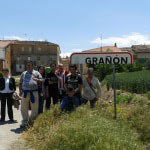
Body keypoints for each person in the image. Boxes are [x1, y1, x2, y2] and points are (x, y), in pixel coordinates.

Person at [19, 61, 42, 128]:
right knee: (23, 108)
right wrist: (20, 91)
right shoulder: (23, 73)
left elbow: (42, 80)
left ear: (33, 66)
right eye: (27, 65)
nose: (28, 66)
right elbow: (20, 82)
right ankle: (24, 122)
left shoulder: (36, 73)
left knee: (35, 108)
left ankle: (32, 122)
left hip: (34, 92)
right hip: (25, 92)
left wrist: (38, 80)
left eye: (30, 65)